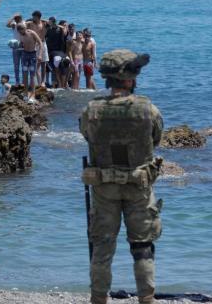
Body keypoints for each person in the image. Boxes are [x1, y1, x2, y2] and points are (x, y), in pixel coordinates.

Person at [79, 49, 163, 304]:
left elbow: (87, 135)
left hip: (104, 188)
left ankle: (98, 299)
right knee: (142, 248)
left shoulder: (91, 110)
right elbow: (156, 138)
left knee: (102, 248)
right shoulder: (147, 108)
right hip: (139, 187)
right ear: (129, 79)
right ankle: (146, 299)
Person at [15, 23, 43, 103]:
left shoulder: (32, 33)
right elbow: (22, 44)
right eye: (19, 31)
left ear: (25, 28)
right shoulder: (20, 35)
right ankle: (25, 94)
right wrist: (16, 46)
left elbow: (40, 43)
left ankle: (33, 95)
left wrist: (40, 55)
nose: (21, 32)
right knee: (24, 75)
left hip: (32, 55)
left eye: (22, 30)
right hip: (24, 55)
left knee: (32, 75)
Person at [26, 11, 49, 88]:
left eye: (34, 17)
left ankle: (43, 82)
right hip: (34, 44)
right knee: (35, 64)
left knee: (43, 64)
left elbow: (52, 23)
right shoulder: (30, 23)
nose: (33, 18)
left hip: (43, 43)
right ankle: (37, 82)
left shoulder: (44, 24)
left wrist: (43, 20)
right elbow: (22, 24)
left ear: (37, 17)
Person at [45, 17, 67, 88]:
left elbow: (65, 32)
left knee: (61, 66)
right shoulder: (49, 29)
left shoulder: (60, 29)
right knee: (53, 68)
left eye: (50, 22)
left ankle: (61, 84)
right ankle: (54, 84)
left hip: (60, 51)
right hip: (51, 51)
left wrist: (57, 25)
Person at [6, 13, 24, 86]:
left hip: (23, 47)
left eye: (17, 18)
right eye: (15, 18)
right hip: (15, 47)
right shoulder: (14, 24)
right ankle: (17, 81)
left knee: (23, 66)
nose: (16, 19)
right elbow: (7, 25)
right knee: (16, 66)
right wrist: (12, 16)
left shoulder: (24, 23)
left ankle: (23, 81)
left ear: (20, 18)